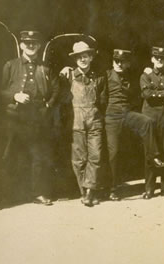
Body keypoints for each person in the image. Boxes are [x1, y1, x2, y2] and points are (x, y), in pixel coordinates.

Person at [0, 30, 59, 209]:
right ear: (21, 45)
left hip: (37, 118)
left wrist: (48, 105)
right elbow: (0, 91)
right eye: (27, 43)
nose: (31, 46)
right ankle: (3, 196)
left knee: (38, 157)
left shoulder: (46, 68)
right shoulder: (10, 65)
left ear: (39, 46)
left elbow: (56, 90)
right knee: (9, 155)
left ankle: (37, 193)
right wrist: (14, 96)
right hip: (15, 117)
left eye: (34, 43)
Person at [104, 49, 164, 201]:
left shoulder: (131, 75)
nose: (118, 63)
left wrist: (149, 71)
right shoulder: (105, 75)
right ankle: (112, 189)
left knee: (147, 122)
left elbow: (145, 76)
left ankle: (154, 156)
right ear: (112, 61)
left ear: (127, 63)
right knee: (114, 153)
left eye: (122, 61)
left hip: (127, 113)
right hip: (111, 116)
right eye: (116, 60)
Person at [61, 41, 107, 207]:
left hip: (94, 121)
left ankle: (89, 190)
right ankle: (86, 192)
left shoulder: (99, 77)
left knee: (95, 156)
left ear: (91, 57)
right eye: (79, 57)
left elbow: (103, 100)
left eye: (86, 56)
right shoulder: (68, 76)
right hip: (76, 121)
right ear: (75, 60)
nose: (83, 59)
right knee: (79, 159)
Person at [140, 46, 164, 199]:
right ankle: (149, 187)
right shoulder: (145, 75)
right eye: (157, 58)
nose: (159, 60)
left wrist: (157, 92)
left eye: (162, 58)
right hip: (149, 116)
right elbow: (146, 94)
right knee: (150, 151)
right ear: (152, 59)